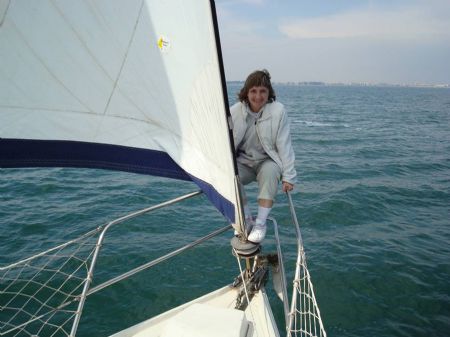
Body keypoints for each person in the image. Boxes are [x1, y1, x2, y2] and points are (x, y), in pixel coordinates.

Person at [231, 69, 296, 243]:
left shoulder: (278, 111)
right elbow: (224, 140)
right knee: (230, 177)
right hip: (243, 162)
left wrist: (289, 176)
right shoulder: (235, 111)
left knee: (272, 171)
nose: (258, 96)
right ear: (246, 92)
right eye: (253, 91)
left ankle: (260, 223)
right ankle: (245, 219)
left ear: (269, 93)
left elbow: (284, 144)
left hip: (266, 161)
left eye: (262, 91)